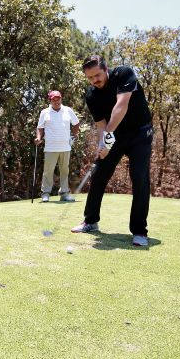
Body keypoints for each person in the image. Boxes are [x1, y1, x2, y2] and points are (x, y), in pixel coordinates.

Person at [71, 55, 154, 247]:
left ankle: (139, 230)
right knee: (99, 173)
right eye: (90, 78)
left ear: (106, 68)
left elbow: (121, 105)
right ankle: (90, 221)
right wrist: (103, 144)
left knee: (139, 177)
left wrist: (108, 135)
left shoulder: (124, 74)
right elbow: (101, 125)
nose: (95, 81)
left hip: (140, 133)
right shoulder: (92, 96)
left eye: (97, 75)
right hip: (115, 134)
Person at [35, 90, 80, 202]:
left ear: (61, 99)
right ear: (50, 100)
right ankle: (45, 193)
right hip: (50, 147)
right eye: (54, 99)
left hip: (65, 147)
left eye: (58, 99)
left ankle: (64, 193)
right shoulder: (45, 112)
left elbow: (76, 123)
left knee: (65, 170)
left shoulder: (68, 110)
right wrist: (39, 138)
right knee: (48, 171)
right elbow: (40, 127)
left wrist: (73, 136)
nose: (56, 101)